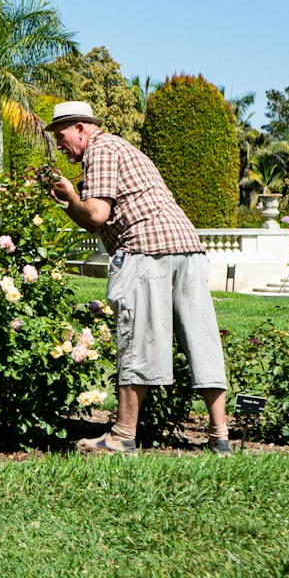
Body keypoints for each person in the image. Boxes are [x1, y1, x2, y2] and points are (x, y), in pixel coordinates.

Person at [44, 101, 231, 455]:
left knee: (139, 342)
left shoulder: (100, 151)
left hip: (146, 252)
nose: (59, 144)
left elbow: (97, 215)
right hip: (187, 249)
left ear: (82, 129)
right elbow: (94, 217)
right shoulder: (123, 148)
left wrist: (71, 195)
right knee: (201, 338)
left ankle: (122, 435)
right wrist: (70, 203)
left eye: (62, 135)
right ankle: (219, 435)